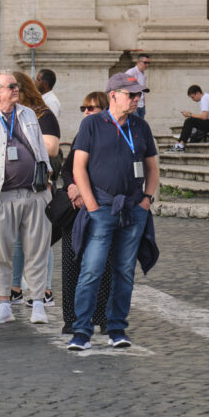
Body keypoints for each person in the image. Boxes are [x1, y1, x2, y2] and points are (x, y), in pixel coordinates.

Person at [68, 73, 159, 351]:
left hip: (133, 209)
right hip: (102, 208)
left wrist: (147, 200)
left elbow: (152, 167)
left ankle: (117, 327)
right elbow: (78, 167)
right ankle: (81, 331)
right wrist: (92, 206)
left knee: (124, 271)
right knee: (91, 270)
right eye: (131, 94)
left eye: (138, 94)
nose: (136, 99)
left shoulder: (141, 126)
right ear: (114, 95)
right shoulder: (92, 124)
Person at [0, 70, 52, 326]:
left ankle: (38, 302)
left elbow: (40, 147)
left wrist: (47, 177)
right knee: (0, 253)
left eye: (17, 85)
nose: (17, 89)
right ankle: (4, 303)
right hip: (0, 196)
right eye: (11, 86)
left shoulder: (28, 114)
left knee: (37, 250)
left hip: (34, 192)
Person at [59, 91, 113, 335]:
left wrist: (84, 189)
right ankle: (71, 318)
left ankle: (102, 315)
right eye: (84, 108)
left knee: (104, 264)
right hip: (76, 209)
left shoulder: (115, 136)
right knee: (72, 264)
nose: (86, 112)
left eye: (92, 108)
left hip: (102, 206)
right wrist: (72, 186)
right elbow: (68, 168)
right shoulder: (83, 133)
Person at [9, 71, 61, 306]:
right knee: (18, 241)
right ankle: (15, 287)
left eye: (11, 87)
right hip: (12, 185)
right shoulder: (4, 115)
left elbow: (51, 148)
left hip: (38, 184)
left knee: (40, 239)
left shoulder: (42, 114)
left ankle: (45, 290)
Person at [168, 84, 209, 152]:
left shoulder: (205, 99)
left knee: (190, 121)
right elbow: (203, 117)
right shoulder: (206, 98)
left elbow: (204, 117)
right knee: (192, 122)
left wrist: (190, 114)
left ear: (198, 93)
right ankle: (184, 139)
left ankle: (181, 145)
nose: (192, 99)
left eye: (193, 97)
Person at [125, 54, 150, 119]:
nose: (147, 65)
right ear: (139, 62)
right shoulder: (131, 72)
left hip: (142, 104)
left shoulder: (143, 74)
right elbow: (125, 87)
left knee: (140, 125)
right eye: (145, 62)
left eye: (148, 63)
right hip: (133, 104)